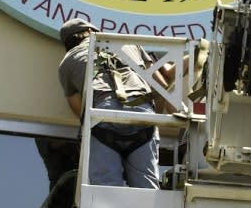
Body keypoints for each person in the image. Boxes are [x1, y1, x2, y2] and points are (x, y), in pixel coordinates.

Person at [57, 18, 168, 189]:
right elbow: (161, 86)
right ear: (93, 32)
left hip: (102, 114)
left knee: (106, 191)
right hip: (141, 112)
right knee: (147, 190)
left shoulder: (67, 61)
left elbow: (79, 110)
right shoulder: (128, 44)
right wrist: (154, 118)